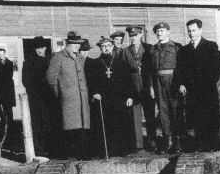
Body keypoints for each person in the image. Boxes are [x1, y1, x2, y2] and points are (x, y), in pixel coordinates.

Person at [177, 19, 220, 152]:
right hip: (192, 90)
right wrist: (181, 83)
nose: (191, 33)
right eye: (189, 31)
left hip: (207, 88)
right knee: (195, 115)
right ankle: (199, 144)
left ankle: (211, 145)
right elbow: (180, 69)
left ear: (200, 30)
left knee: (210, 115)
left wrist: (211, 79)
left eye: (194, 30)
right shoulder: (184, 50)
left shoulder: (210, 46)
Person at [85, 36, 136, 157]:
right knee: (105, 125)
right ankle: (106, 151)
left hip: (119, 99)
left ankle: (121, 150)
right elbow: (91, 82)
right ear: (100, 48)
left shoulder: (121, 62)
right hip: (104, 100)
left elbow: (129, 81)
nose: (106, 48)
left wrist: (130, 96)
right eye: (103, 46)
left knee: (119, 124)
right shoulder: (95, 63)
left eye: (108, 46)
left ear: (112, 46)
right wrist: (94, 92)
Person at [47, 31, 90, 159]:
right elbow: (51, 78)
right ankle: (70, 154)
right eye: (74, 44)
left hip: (82, 99)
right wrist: (60, 94)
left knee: (82, 126)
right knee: (70, 126)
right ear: (68, 44)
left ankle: (81, 154)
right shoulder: (59, 57)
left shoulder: (81, 58)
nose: (77, 47)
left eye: (79, 44)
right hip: (68, 100)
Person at [149, 22, 183, 153]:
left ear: (168, 32)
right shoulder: (153, 49)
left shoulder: (176, 47)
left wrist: (180, 83)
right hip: (158, 81)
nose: (159, 33)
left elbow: (181, 68)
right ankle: (167, 141)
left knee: (175, 110)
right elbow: (151, 70)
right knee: (163, 111)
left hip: (172, 80)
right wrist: (152, 86)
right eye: (157, 31)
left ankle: (177, 142)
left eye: (162, 30)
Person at [121, 25, 156, 152]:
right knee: (136, 117)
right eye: (131, 36)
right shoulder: (125, 52)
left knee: (150, 116)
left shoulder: (149, 48)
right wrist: (128, 93)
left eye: (135, 35)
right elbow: (124, 74)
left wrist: (152, 87)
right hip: (133, 88)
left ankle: (152, 141)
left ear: (140, 35)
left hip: (147, 86)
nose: (133, 38)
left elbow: (153, 70)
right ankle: (138, 145)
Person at [22, 36, 57, 157]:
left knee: (50, 122)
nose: (39, 50)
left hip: (50, 98)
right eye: (37, 48)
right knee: (37, 124)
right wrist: (39, 84)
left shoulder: (51, 60)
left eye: (41, 47)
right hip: (36, 98)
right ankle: (39, 150)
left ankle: (51, 149)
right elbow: (25, 81)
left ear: (45, 47)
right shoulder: (28, 62)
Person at [0, 48, 16, 140]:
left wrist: (3, 79)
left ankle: (11, 129)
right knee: (0, 110)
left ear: (5, 53)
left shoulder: (9, 63)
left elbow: (10, 75)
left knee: (9, 109)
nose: (1, 55)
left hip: (8, 90)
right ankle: (2, 128)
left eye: (2, 53)